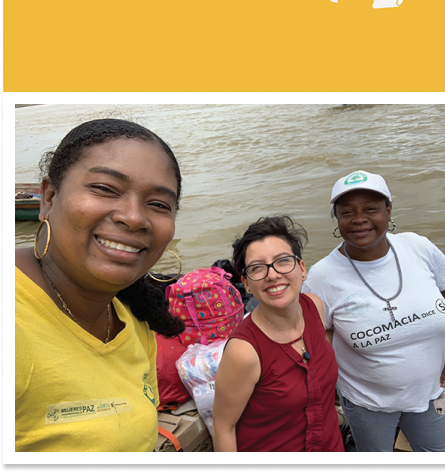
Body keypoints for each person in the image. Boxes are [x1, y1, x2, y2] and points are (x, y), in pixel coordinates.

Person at [15, 119, 187, 451]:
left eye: (158, 204)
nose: (134, 217)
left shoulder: (131, 319)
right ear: (48, 198)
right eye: (105, 188)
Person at [304, 170, 445, 452]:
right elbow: (314, 338)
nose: (359, 219)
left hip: (429, 393)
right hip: (368, 403)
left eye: (371, 209)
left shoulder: (417, 247)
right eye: (347, 212)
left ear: (388, 211)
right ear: (337, 220)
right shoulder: (321, 278)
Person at [212, 216, 343, 452]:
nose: (272, 275)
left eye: (283, 261)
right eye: (257, 268)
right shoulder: (244, 351)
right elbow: (223, 427)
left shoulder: (315, 308)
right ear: (247, 284)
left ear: (302, 269)